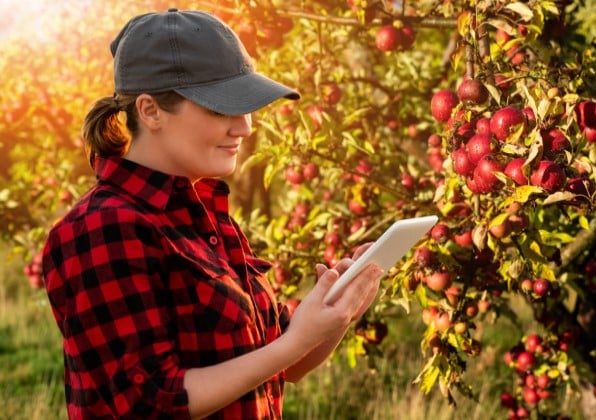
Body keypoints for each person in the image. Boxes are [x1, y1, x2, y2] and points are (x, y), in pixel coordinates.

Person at [41, 8, 383, 419]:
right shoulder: (101, 229)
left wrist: (336, 314)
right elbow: (147, 404)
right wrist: (294, 342)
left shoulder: (204, 217)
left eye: (247, 108)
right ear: (150, 111)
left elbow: (279, 367)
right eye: (222, 110)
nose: (245, 127)